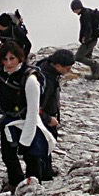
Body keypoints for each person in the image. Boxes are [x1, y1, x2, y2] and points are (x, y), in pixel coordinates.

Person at [0, 40, 53, 191]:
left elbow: (33, 112)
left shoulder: (30, 80)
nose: (8, 63)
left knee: (31, 157)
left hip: (27, 121)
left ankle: (33, 191)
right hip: (9, 121)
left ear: (20, 58)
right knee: (8, 157)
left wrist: (25, 141)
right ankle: (16, 186)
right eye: (4, 59)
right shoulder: (1, 71)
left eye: (12, 58)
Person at [35, 49, 76, 179]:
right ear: (58, 66)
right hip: (43, 119)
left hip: (46, 116)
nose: (69, 71)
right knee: (44, 144)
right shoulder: (47, 80)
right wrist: (48, 119)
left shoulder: (45, 68)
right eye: (68, 68)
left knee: (46, 144)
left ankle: (47, 170)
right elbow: (36, 106)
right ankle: (44, 175)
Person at [0, 11, 32, 81]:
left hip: (18, 52)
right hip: (6, 50)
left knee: (25, 72)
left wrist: (23, 57)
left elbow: (28, 44)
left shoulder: (16, 30)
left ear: (5, 26)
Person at [69, 0, 99, 80]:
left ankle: (96, 65)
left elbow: (88, 29)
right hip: (93, 38)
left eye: (74, 10)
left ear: (77, 8)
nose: (74, 12)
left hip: (89, 40)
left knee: (78, 57)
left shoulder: (85, 15)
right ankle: (95, 75)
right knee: (88, 56)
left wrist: (86, 39)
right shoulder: (88, 12)